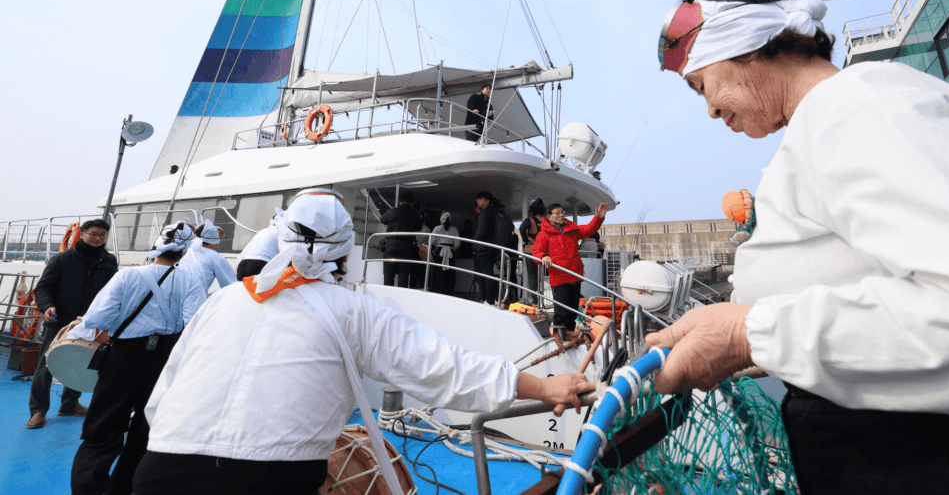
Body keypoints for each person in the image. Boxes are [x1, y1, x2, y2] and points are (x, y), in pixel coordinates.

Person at [647, 0, 949, 494]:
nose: (709, 110)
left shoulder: (856, 109)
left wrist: (749, 334)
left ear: (747, 46)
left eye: (702, 85)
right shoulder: (827, 126)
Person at [132, 194, 593, 494]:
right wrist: (547, 388)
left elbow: (161, 399)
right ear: (347, 253)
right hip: (270, 478)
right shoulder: (351, 311)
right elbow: (445, 368)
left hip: (160, 470)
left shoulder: (226, 299)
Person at [69, 222, 206, 495]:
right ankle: (125, 488)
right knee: (145, 429)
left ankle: (88, 489)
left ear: (156, 246)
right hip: (163, 360)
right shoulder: (191, 280)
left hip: (122, 357)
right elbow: (195, 325)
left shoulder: (127, 276)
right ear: (184, 252)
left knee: (102, 427)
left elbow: (97, 318)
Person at [28, 218, 118, 429]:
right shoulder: (62, 259)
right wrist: (47, 307)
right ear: (83, 234)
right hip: (59, 319)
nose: (98, 238)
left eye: (102, 235)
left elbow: (113, 291)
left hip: (90, 321)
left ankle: (69, 404)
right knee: (46, 365)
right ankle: (38, 410)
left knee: (82, 360)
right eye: (93, 233)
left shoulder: (109, 261)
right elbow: (42, 287)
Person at [533, 203, 608, 341]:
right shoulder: (543, 234)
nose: (562, 215)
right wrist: (544, 256)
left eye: (562, 212)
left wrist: (598, 218)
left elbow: (588, 230)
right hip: (559, 276)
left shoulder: (571, 229)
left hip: (574, 274)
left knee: (573, 308)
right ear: (549, 217)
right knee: (561, 310)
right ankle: (558, 334)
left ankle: (569, 332)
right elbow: (536, 253)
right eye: (557, 213)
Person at [177, 219, 234, 294]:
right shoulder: (216, 257)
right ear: (215, 240)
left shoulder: (185, 251)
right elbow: (231, 286)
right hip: (196, 300)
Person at [379, 191, 421, 288]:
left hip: (390, 247)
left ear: (400, 201)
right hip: (406, 248)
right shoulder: (414, 214)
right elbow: (419, 228)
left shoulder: (392, 211)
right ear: (411, 203)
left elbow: (382, 220)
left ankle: (387, 300)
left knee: (388, 277)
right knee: (403, 277)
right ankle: (401, 300)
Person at [471, 191, 500, 304]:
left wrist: (473, 245)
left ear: (487, 201)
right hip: (491, 248)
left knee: (485, 275)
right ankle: (492, 298)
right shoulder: (494, 212)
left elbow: (481, 232)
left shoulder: (484, 213)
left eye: (480, 198)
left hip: (482, 248)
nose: (477, 201)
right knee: (488, 273)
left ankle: (489, 299)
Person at [518, 199, 545, 305]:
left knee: (532, 276)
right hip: (543, 251)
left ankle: (535, 301)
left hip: (531, 250)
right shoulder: (546, 221)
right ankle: (543, 300)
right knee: (542, 276)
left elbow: (522, 228)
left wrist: (526, 240)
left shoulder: (530, 220)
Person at [428, 212, 461, 294]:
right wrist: (452, 249)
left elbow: (431, 241)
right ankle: (449, 290)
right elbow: (457, 243)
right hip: (450, 252)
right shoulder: (454, 229)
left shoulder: (437, 228)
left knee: (439, 270)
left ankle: (439, 289)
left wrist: (435, 247)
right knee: (450, 271)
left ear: (440, 220)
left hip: (439, 251)